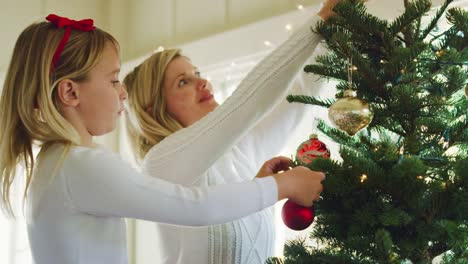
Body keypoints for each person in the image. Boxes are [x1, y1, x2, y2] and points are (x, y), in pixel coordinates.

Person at [0, 14, 325, 264]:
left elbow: (290, 100)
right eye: (113, 80)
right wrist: (284, 186)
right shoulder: (81, 165)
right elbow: (198, 207)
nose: (122, 92)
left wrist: (331, 40)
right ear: (70, 91)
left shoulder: (57, 163)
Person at [122, 1, 345, 263]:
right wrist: (320, 22)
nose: (202, 82)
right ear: (153, 110)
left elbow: (300, 93)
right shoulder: (161, 163)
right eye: (183, 82)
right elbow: (248, 102)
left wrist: (338, 25)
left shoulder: (241, 152)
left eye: (197, 73)